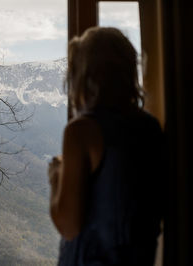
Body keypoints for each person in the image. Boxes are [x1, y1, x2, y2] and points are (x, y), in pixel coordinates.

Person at [48, 27, 165, 266]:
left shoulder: (81, 130)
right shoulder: (150, 127)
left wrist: (55, 179)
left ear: (83, 75)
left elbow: (69, 227)